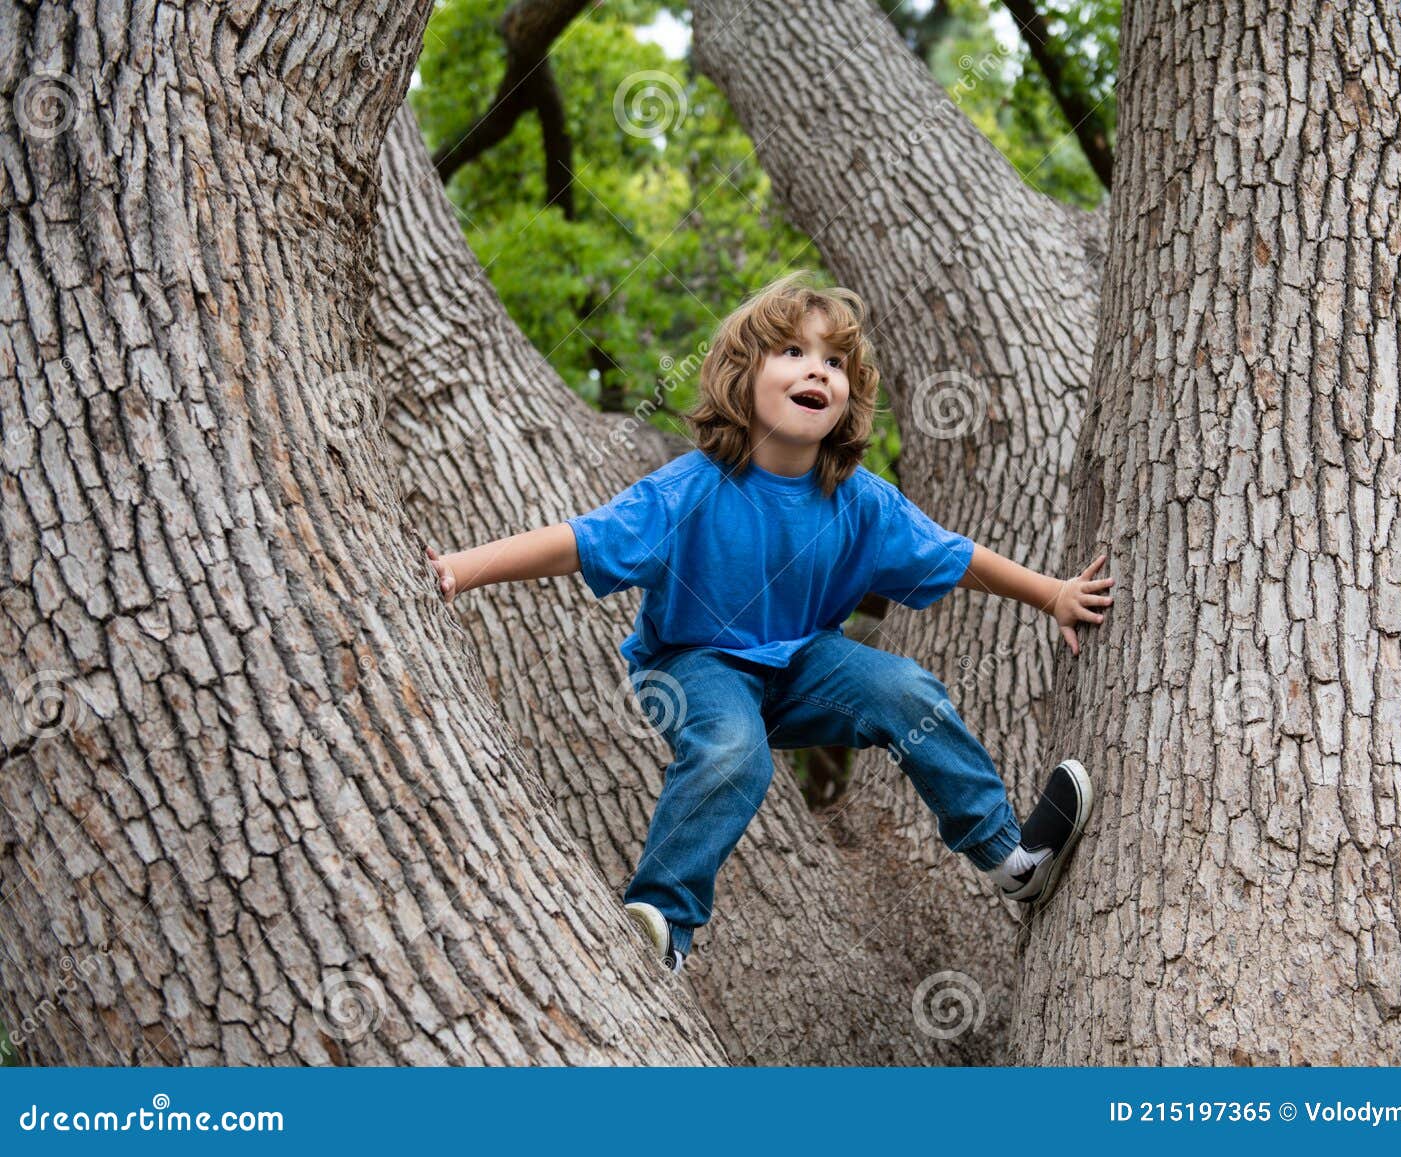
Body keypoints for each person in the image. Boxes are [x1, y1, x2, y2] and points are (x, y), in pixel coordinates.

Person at [425, 272, 1113, 976]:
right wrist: (461, 568)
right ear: (740, 377)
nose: (817, 367)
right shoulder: (688, 489)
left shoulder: (860, 501)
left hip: (807, 664)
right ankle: (663, 921)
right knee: (733, 753)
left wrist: (1052, 594)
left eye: (834, 361)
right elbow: (579, 540)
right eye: (790, 351)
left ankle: (1010, 859)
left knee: (910, 692)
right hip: (697, 663)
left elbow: (957, 557)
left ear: (846, 395)